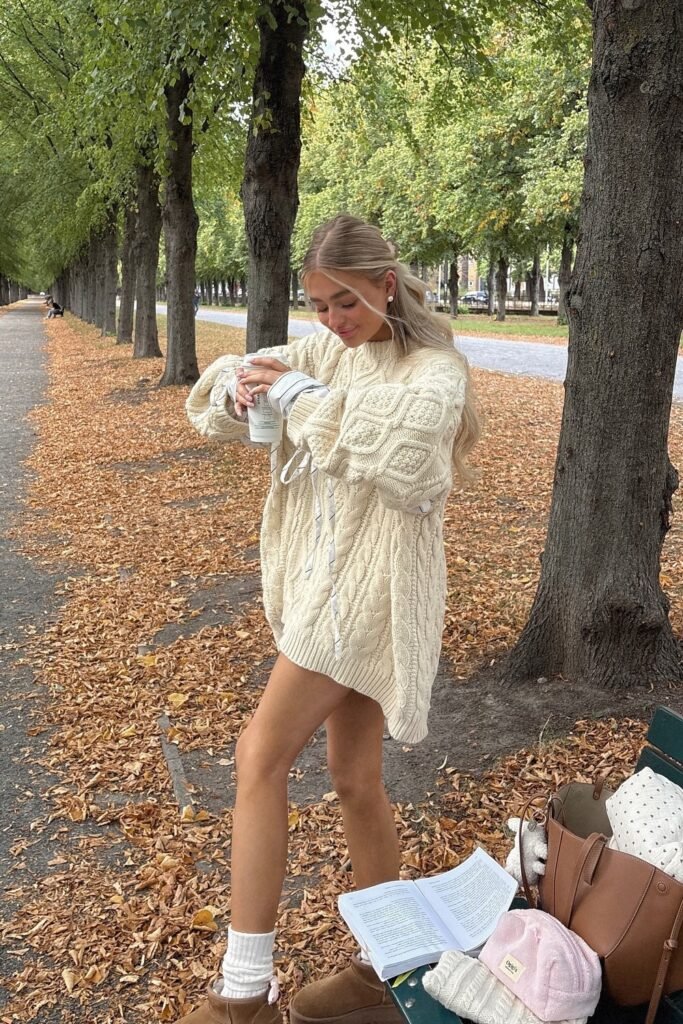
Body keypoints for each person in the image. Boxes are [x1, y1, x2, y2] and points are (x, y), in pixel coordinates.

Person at [181, 214, 480, 1024]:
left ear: (385, 283)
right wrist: (243, 384)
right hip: (321, 587)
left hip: (366, 597)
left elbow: (408, 466)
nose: (329, 323)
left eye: (342, 302)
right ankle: (387, 970)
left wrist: (303, 395)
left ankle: (244, 992)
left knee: (257, 759)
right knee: (356, 782)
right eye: (316, 304)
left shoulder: (434, 371)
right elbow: (217, 404)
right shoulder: (325, 350)